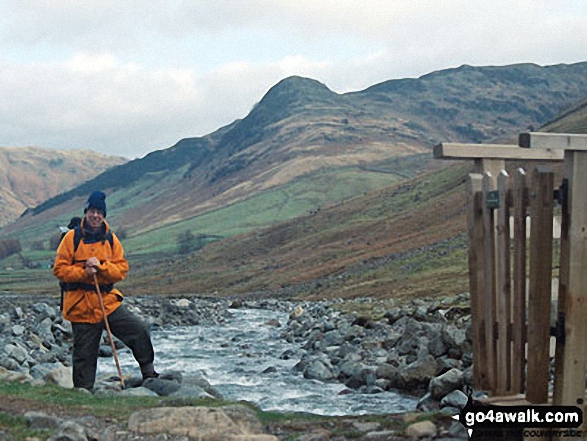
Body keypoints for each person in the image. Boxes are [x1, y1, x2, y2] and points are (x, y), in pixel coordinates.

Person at [53, 190, 158, 391]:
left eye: (100, 212)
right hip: (80, 306)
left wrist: (101, 267)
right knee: (84, 355)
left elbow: (121, 270)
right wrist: (84, 272)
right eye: (92, 211)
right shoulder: (71, 238)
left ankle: (149, 373)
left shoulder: (111, 239)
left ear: (104, 215)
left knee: (139, 330)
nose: (96, 216)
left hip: (107, 301)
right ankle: (83, 392)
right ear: (86, 212)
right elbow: (59, 269)